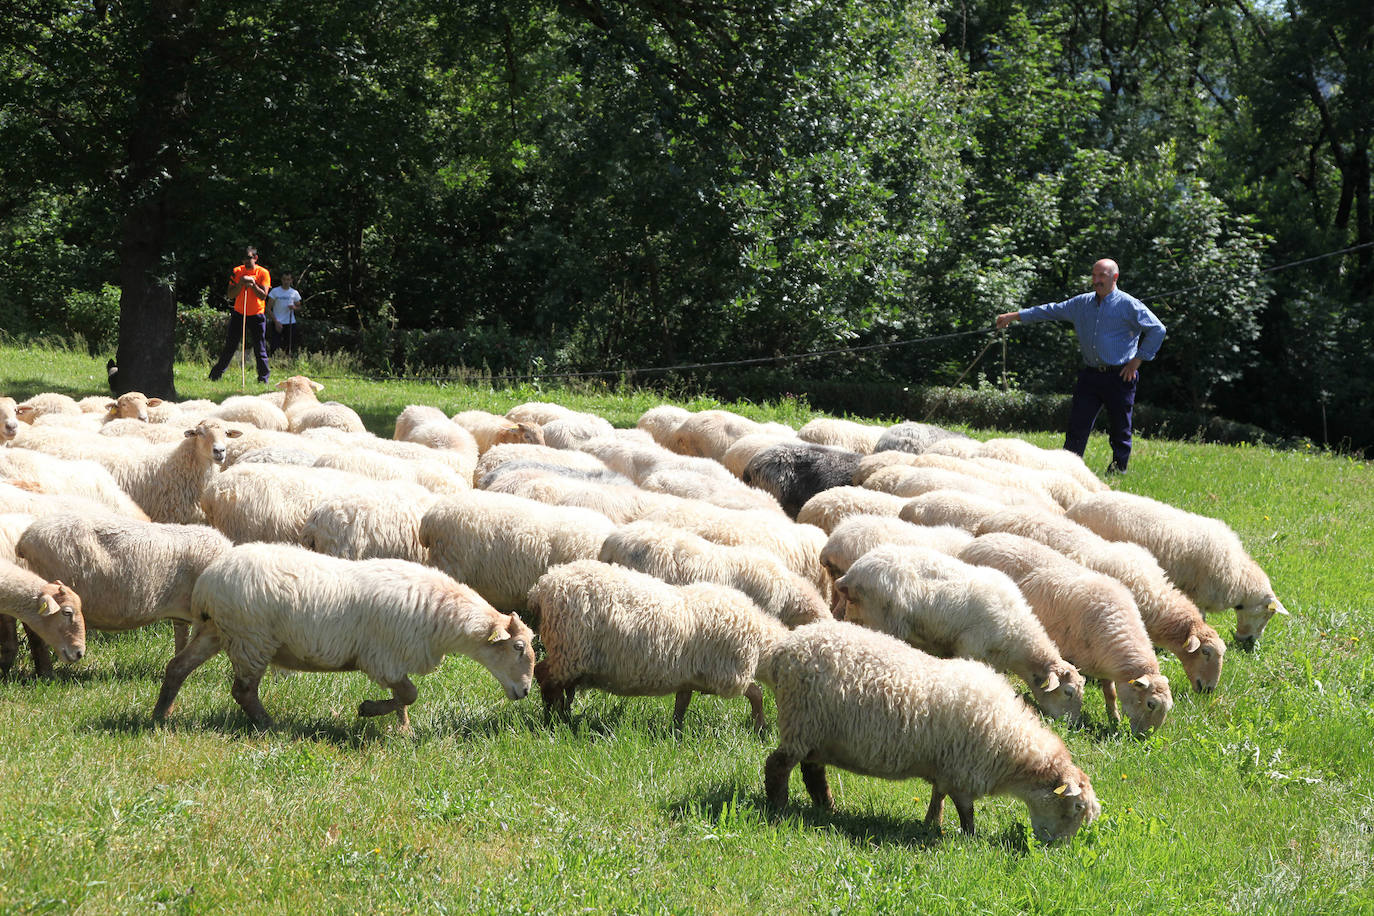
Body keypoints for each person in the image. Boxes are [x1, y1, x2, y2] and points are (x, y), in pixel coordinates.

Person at [995, 258, 1165, 473]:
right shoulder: (1081, 303)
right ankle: (1068, 469)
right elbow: (1050, 310)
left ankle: (1118, 468)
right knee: (1077, 425)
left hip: (1120, 376)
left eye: (1101, 275)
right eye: (1094, 275)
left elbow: (1157, 329)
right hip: (1090, 375)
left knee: (1120, 427)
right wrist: (1015, 316)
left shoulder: (1129, 304)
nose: (1096, 280)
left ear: (1115, 277)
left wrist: (1137, 360)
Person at [208, 246, 272, 384]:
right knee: (230, 345)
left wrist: (254, 285)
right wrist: (241, 283)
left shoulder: (263, 273)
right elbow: (230, 294)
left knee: (259, 348)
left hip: (257, 314)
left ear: (255, 258)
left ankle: (263, 379)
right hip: (239, 313)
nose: (246, 261)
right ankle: (215, 375)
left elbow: (263, 296)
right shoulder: (237, 271)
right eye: (244, 258)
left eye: (249, 257)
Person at [267, 272, 302, 357]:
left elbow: (299, 307)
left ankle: (287, 364)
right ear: (281, 280)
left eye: (288, 280)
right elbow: (268, 308)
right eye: (284, 279)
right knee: (274, 346)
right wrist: (276, 322)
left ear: (291, 280)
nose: (286, 281)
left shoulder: (294, 293)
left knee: (289, 347)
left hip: (290, 323)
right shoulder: (275, 291)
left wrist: (294, 308)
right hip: (277, 322)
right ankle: (274, 363)